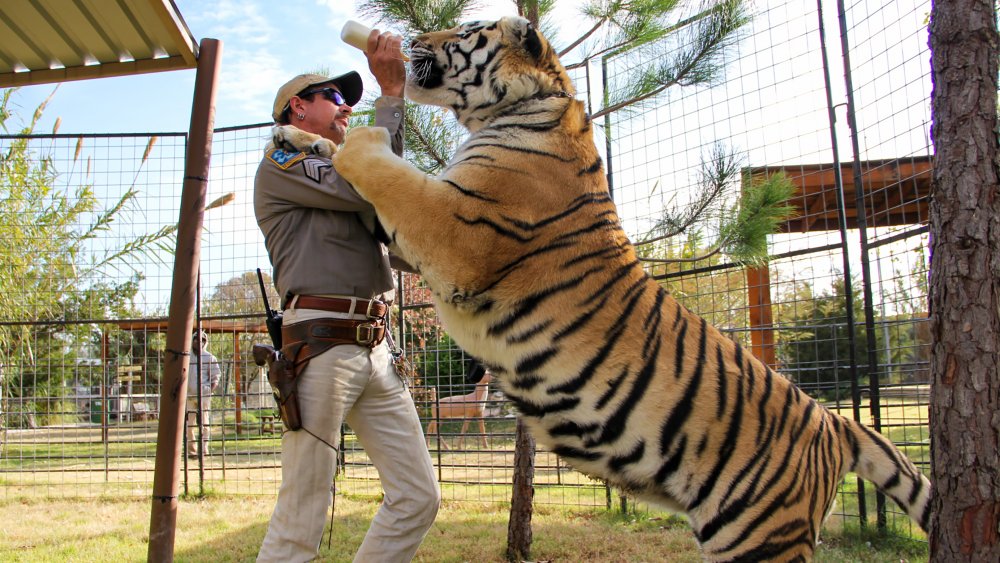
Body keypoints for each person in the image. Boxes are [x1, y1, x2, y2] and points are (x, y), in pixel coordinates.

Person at [254, 28, 440, 563]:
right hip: (321, 345)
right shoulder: (285, 162)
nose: (345, 110)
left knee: (418, 498)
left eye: (351, 102)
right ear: (297, 108)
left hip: (377, 349)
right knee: (301, 516)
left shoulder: (343, 173)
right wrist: (390, 98)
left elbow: (396, 203)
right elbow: (374, 184)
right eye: (335, 97)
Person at [186, 330, 221, 458]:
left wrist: (209, 389)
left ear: (205, 342)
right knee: (188, 425)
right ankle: (192, 451)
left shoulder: (209, 357)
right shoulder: (186, 356)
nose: (198, 341)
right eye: (196, 339)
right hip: (188, 396)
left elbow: (216, 376)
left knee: (204, 424)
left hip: (204, 396)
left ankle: (204, 450)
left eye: (202, 339)